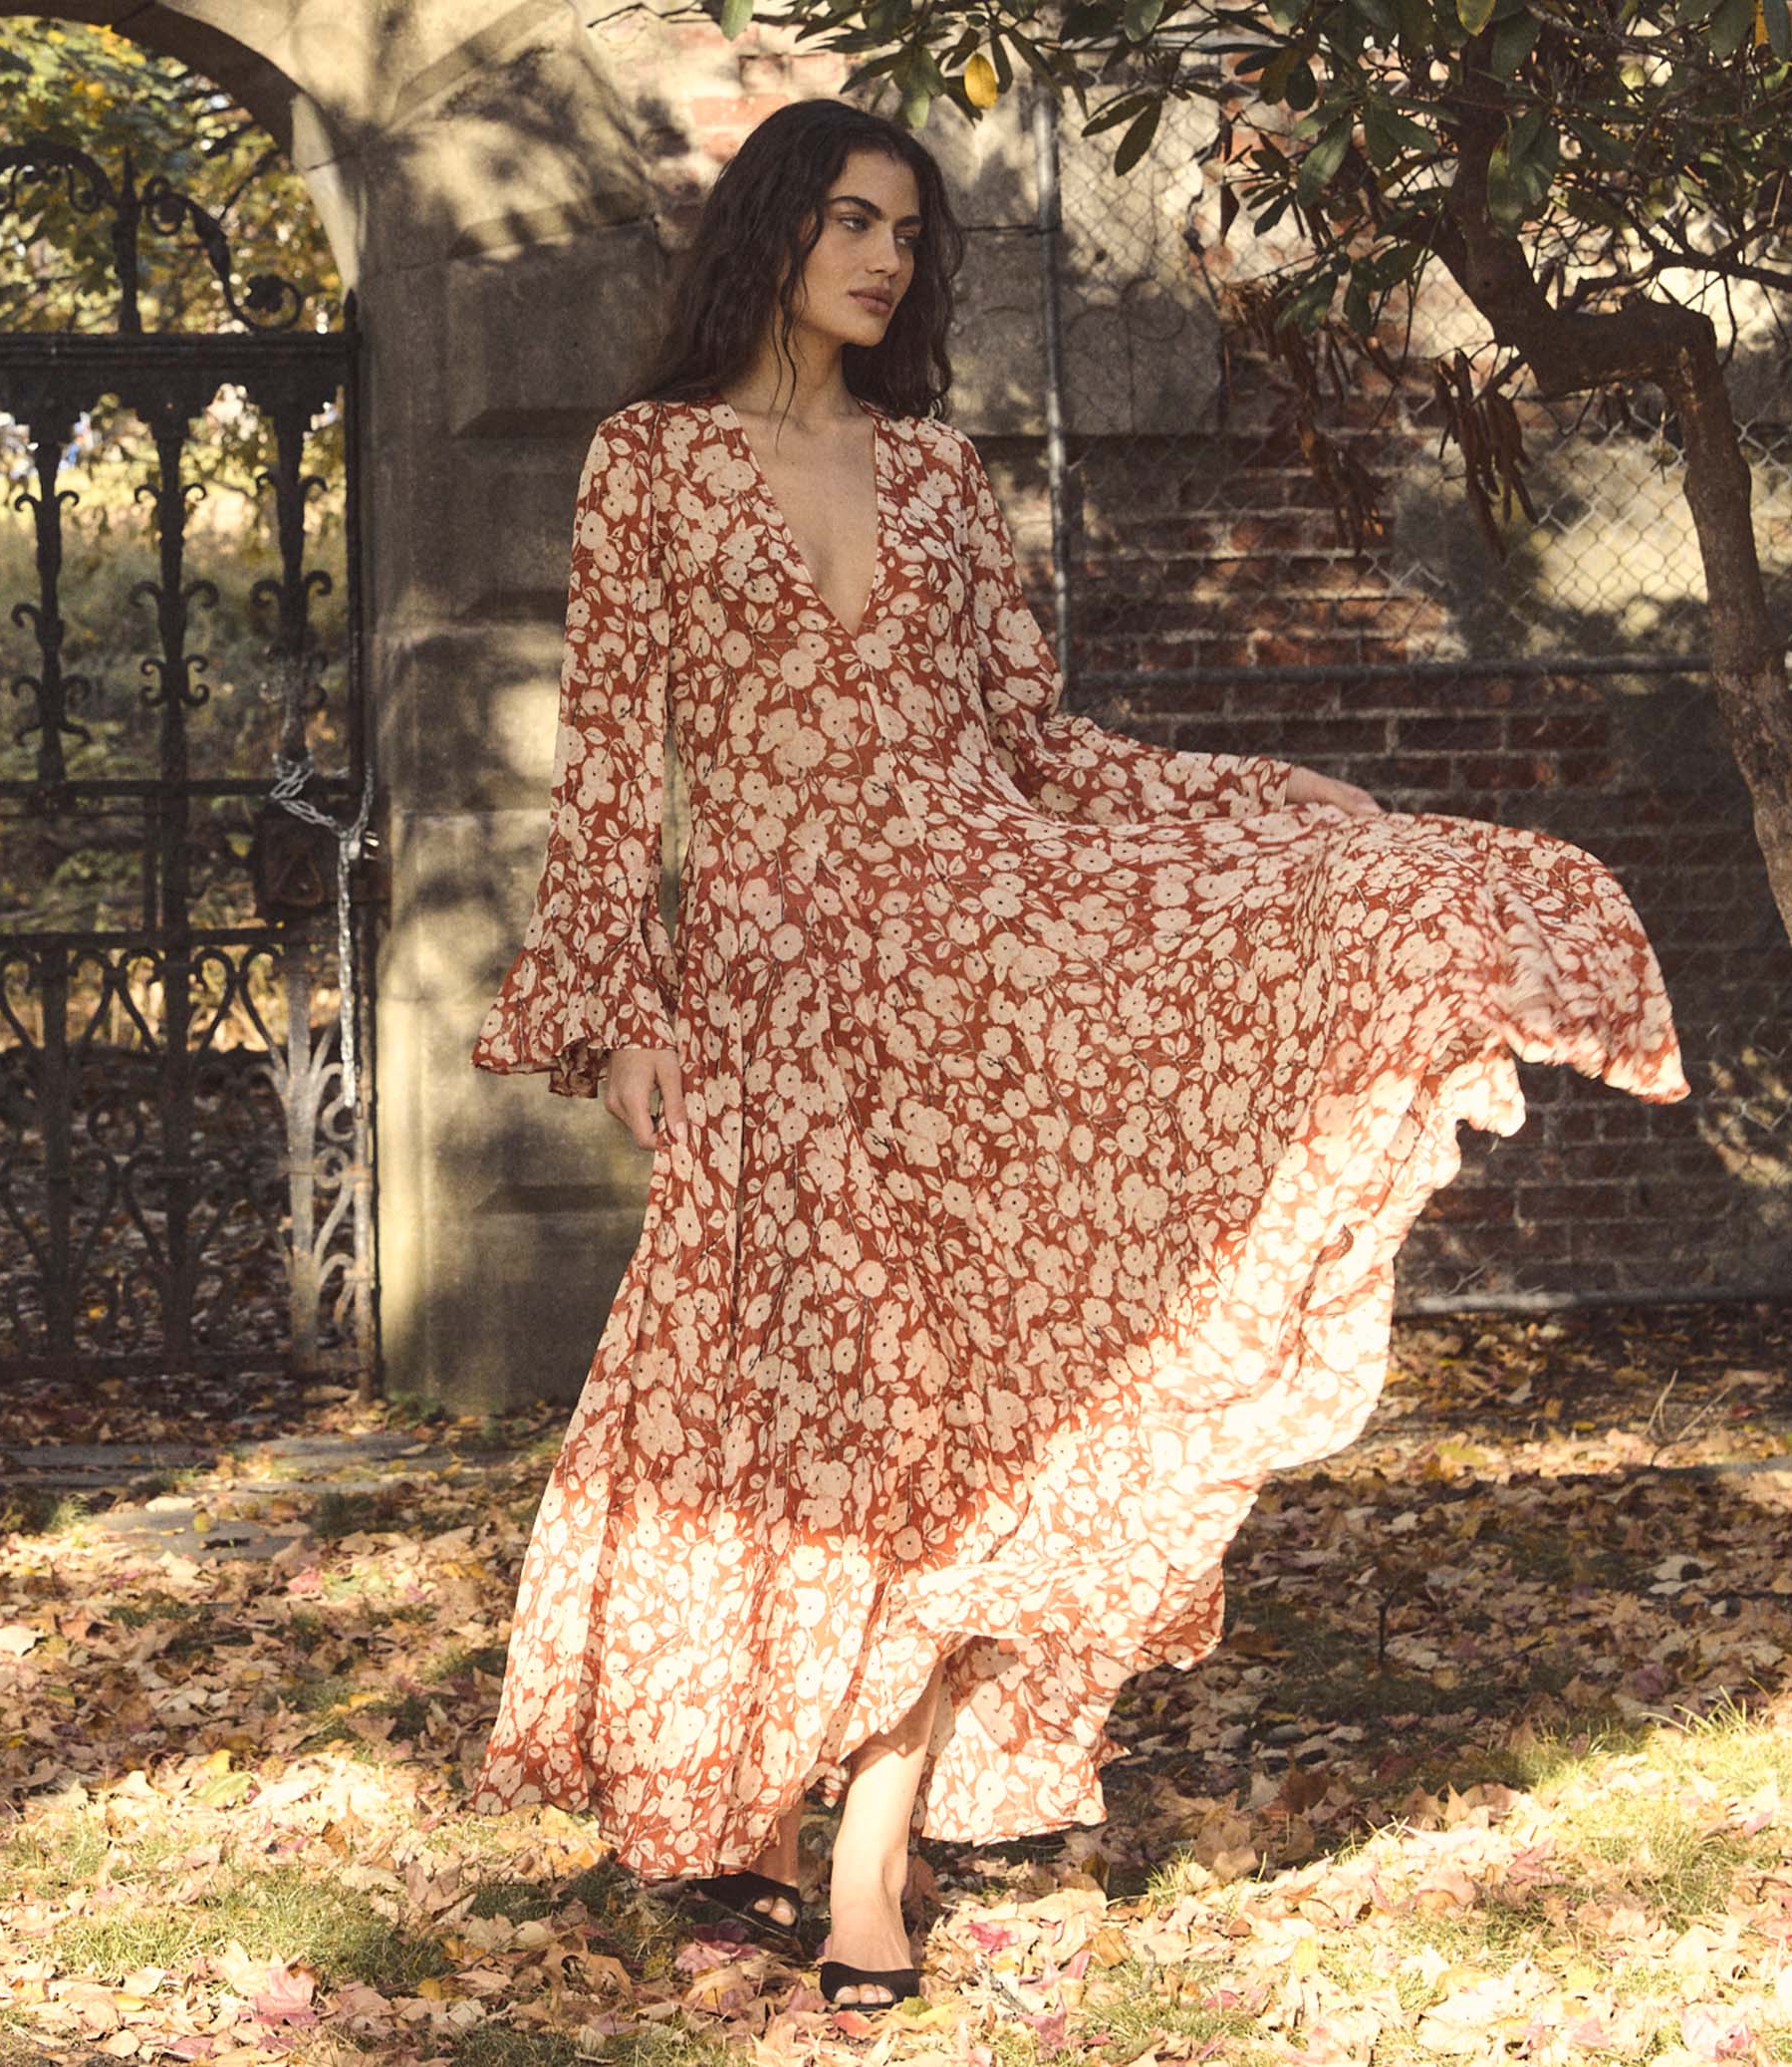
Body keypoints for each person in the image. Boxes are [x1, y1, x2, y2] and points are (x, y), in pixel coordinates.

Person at [464, 98, 1688, 2011]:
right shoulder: (653, 463)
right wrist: (622, 1015)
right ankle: (728, 1817)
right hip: (784, 997)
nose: (885, 258)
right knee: (781, 1403)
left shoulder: (944, 475)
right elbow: (621, 768)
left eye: (909, 234)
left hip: (983, 977)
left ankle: (868, 1862)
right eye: (853, 220)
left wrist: (1299, 846)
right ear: (774, 230)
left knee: (961, 1411)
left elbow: (1031, 751)